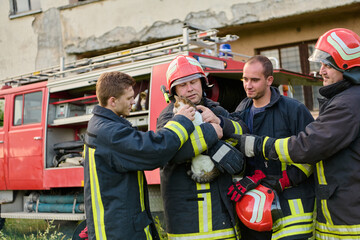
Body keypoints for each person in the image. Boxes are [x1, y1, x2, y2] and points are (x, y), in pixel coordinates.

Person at [236, 28, 360, 239]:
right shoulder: (345, 99)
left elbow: (309, 146)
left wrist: (259, 146)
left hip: (347, 216)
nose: (321, 71)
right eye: (244, 79)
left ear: (346, 67)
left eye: (327, 65)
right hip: (340, 212)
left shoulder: (347, 104)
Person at [83, 71, 223, 240]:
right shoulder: (109, 132)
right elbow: (153, 150)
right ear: (112, 101)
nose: (133, 102)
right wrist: (181, 120)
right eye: (128, 98)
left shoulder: (103, 125)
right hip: (117, 232)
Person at [156, 55, 247, 240]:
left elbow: (243, 132)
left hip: (223, 221)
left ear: (202, 84)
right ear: (173, 91)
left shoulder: (217, 111)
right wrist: (212, 132)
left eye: (193, 82)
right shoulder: (168, 118)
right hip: (187, 226)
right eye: (182, 85)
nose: (190, 89)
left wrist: (221, 122)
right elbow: (171, 152)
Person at [225, 55, 315, 240]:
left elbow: (312, 154)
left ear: (269, 80)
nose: (248, 85)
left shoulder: (294, 109)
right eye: (245, 79)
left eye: (255, 80)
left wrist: (284, 180)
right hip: (255, 208)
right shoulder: (241, 111)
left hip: (292, 208)